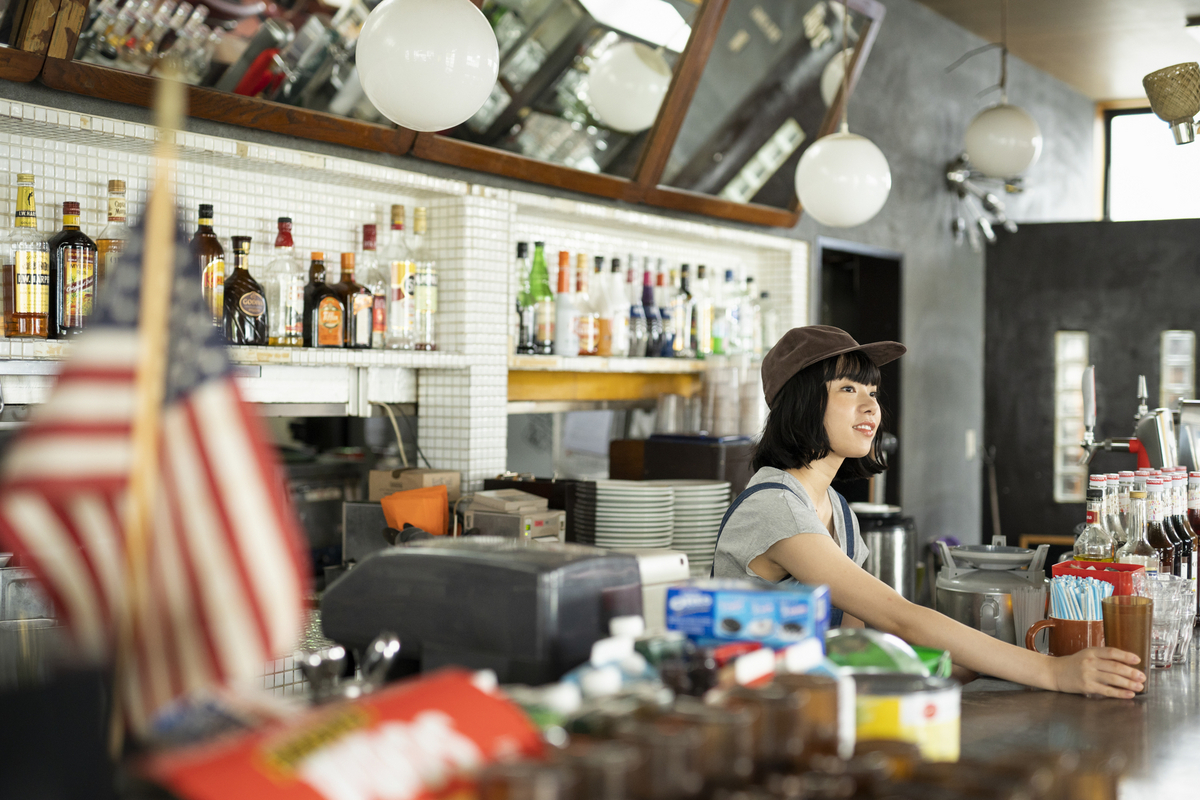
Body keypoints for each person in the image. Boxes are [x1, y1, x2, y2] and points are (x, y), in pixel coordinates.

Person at [713, 325, 1145, 699]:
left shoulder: (838, 512)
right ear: (801, 401)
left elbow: (848, 646)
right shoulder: (776, 506)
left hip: (806, 706)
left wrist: (930, 665)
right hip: (750, 715)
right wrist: (1054, 671)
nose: (871, 407)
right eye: (849, 389)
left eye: (873, 392)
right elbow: (898, 617)